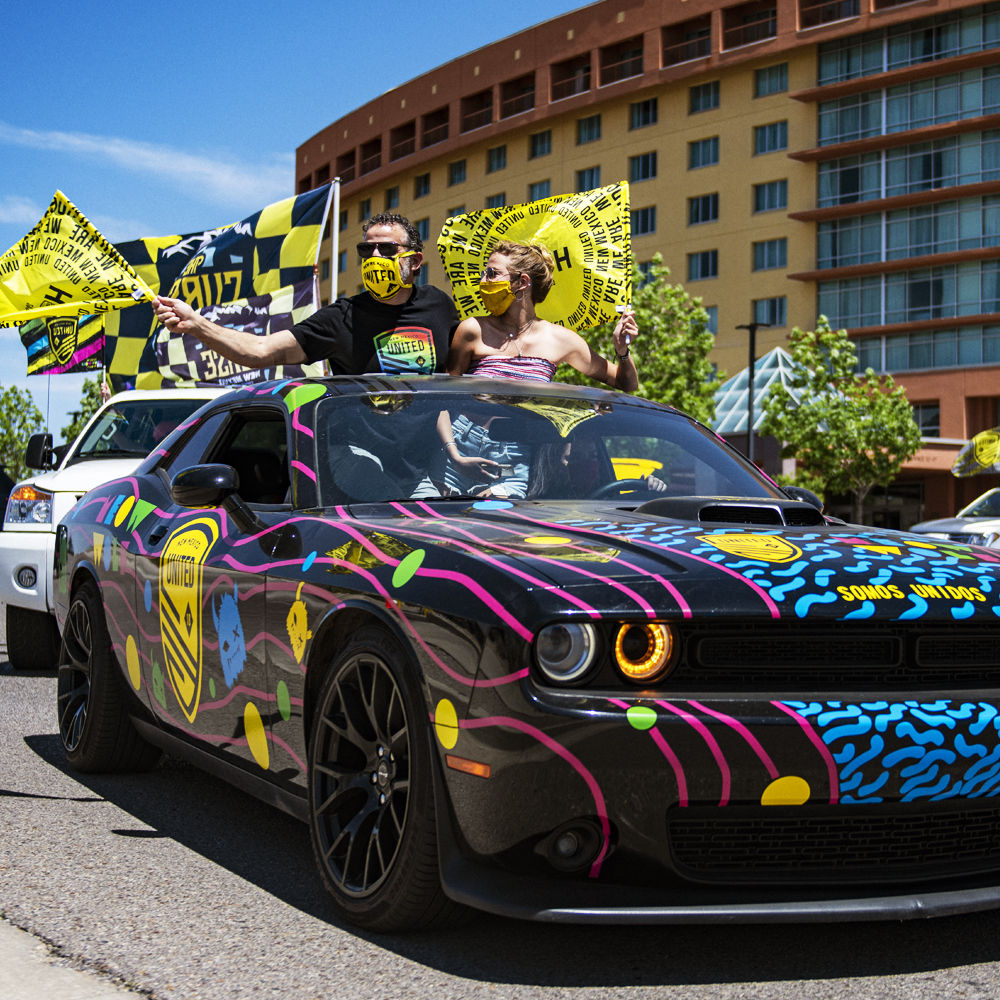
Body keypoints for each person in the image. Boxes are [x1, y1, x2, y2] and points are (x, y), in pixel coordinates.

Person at [151, 213, 459, 377]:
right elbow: (260, 351)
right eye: (367, 249)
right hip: (365, 459)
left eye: (387, 249)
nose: (375, 256)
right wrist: (196, 325)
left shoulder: (438, 304)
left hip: (433, 456)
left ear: (415, 261)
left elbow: (470, 363)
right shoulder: (341, 317)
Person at [446, 240, 639, 389]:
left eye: (492, 273)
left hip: (530, 432)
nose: (483, 281)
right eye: (484, 273)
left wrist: (622, 350)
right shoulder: (472, 330)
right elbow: (445, 396)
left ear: (522, 282)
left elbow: (626, 384)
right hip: (468, 431)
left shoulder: (560, 339)